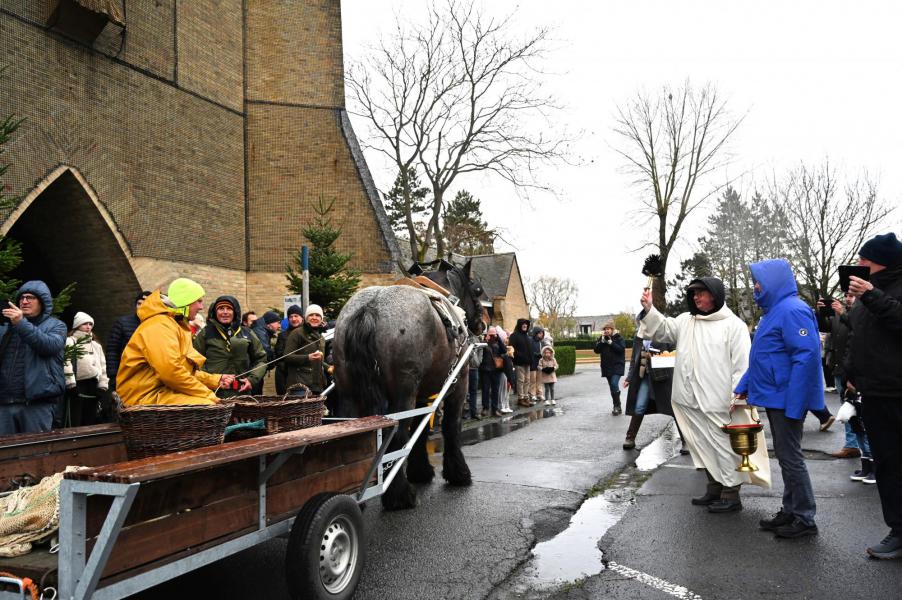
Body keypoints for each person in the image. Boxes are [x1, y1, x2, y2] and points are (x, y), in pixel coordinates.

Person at [639, 277, 761, 514]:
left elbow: (742, 365)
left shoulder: (733, 325)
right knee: (702, 446)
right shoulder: (686, 321)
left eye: (701, 293)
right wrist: (649, 308)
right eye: (693, 293)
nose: (695, 297)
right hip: (689, 399)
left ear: (714, 295)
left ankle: (730, 494)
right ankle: (714, 488)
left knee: (723, 447)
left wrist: (739, 395)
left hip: (720, 400)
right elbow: (662, 330)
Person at [735, 258, 823, 538]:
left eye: (758, 282)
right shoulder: (774, 312)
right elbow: (762, 356)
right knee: (786, 457)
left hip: (786, 399)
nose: (755, 287)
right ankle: (791, 510)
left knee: (791, 458)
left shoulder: (793, 310)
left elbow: (806, 357)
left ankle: (805, 519)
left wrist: (796, 404)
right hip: (777, 397)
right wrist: (744, 385)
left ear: (772, 281)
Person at [844, 232, 902, 559]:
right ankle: (899, 531)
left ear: (881, 261)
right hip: (874, 392)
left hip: (898, 391)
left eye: (864, 259)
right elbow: (858, 336)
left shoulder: (881, 291)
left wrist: (871, 295)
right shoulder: (866, 295)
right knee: (887, 465)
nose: (859, 264)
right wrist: (851, 373)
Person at [117, 278, 233, 406]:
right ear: (186, 301)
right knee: (208, 405)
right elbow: (170, 372)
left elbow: (181, 371)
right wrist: (208, 395)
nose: (201, 307)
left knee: (209, 404)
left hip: (160, 391)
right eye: (199, 301)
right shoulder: (160, 325)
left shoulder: (173, 324)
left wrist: (215, 380)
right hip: (143, 396)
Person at [0, 281, 67, 435]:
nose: (24, 301)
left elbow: (49, 346)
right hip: (4, 403)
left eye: (30, 298)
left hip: (37, 404)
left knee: (36, 449)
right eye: (22, 298)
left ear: (42, 302)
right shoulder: (7, 328)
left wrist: (21, 324)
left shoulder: (56, 326)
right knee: (5, 450)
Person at [193, 296, 268, 399]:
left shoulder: (247, 332)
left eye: (229, 308)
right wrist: (211, 380)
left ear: (235, 312)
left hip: (242, 393)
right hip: (212, 394)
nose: (225, 312)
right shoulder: (205, 333)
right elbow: (195, 363)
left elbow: (261, 359)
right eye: (221, 308)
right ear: (215, 312)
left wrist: (252, 379)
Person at [819, 292, 862, 458]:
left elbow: (859, 331)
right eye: (846, 295)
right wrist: (821, 313)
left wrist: (843, 314)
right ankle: (852, 445)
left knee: (860, 409)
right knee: (847, 408)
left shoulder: (860, 313)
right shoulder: (839, 314)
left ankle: (868, 451)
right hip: (840, 369)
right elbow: (824, 327)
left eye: (852, 295)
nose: (848, 298)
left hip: (855, 371)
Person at [622, 324, 675, 450]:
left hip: (664, 377)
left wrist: (657, 356)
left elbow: (675, 353)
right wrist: (629, 377)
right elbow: (634, 359)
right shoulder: (639, 336)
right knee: (639, 406)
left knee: (674, 408)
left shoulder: (665, 332)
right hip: (645, 377)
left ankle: (685, 441)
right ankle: (630, 438)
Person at [62, 312, 110, 427]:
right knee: (76, 420)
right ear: (77, 325)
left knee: (91, 419)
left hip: (93, 385)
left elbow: (103, 367)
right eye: (84, 324)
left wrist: (103, 386)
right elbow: (66, 363)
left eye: (90, 324)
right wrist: (71, 384)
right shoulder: (70, 341)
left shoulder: (96, 345)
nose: (88, 327)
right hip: (77, 385)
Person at [105, 291, 151, 399]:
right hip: (127, 376)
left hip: (149, 378)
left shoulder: (156, 324)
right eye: (139, 303)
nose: (141, 306)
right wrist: (113, 377)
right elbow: (112, 351)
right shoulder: (122, 323)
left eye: (145, 303)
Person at [282, 304, 329, 395]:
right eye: (311, 315)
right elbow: (287, 357)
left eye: (317, 315)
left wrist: (328, 367)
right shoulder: (297, 333)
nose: (314, 317)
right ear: (306, 318)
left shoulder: (321, 338)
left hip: (317, 385)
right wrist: (308, 357)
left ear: (321, 319)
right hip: (300, 386)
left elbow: (319, 360)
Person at [593, 320, 625, 415]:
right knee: (612, 386)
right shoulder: (602, 338)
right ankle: (617, 406)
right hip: (606, 366)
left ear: (612, 329)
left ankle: (617, 406)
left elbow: (621, 349)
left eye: (608, 329)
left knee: (614, 383)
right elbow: (596, 350)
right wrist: (601, 342)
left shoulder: (619, 338)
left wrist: (611, 343)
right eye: (605, 329)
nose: (606, 330)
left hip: (617, 366)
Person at [274, 305, 304, 394]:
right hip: (285, 376)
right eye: (291, 317)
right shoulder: (283, 336)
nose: (293, 319)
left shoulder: (308, 334)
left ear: (302, 318)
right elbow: (279, 355)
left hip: (304, 376)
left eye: (296, 316)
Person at [480, 327, 506, 417]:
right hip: (486, 370)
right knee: (485, 390)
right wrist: (485, 339)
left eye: (493, 335)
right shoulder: (484, 343)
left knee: (495, 390)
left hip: (496, 370)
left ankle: (495, 409)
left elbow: (504, 350)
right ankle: (485, 408)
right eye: (490, 335)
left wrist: (499, 339)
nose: (492, 337)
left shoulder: (498, 343)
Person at [508, 318, 533, 407]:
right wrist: (519, 356)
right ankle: (520, 398)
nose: (525, 325)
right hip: (519, 362)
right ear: (519, 325)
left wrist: (531, 359)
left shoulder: (527, 336)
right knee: (521, 380)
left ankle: (526, 397)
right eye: (523, 324)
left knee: (527, 380)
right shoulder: (514, 335)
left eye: (526, 324)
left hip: (527, 362)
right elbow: (511, 349)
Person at [530, 326, 546, 402]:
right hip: (533, 363)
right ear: (536, 333)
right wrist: (536, 354)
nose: (541, 334)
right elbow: (529, 351)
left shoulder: (541, 342)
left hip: (540, 363)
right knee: (533, 380)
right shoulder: (531, 341)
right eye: (540, 333)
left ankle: (539, 394)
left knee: (539, 380)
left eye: (542, 333)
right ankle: (532, 394)